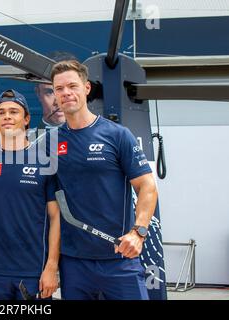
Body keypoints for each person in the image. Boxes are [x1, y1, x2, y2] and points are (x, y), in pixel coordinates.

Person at [50, 60, 158, 300]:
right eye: (59, 89)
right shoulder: (50, 142)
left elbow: (147, 186)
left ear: (86, 88)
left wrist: (138, 232)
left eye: (72, 86)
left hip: (119, 257)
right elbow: (14, 157)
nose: (66, 93)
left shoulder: (117, 135)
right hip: (74, 263)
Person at [0, 89, 60, 300]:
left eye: (14, 111)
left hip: (33, 271)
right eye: (1, 112)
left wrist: (51, 267)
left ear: (26, 119)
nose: (7, 116)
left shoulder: (45, 162)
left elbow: (55, 217)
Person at [33, 51, 77, 131]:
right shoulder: (27, 141)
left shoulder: (101, 136)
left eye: (70, 88)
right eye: (49, 92)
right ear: (38, 93)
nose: (57, 102)